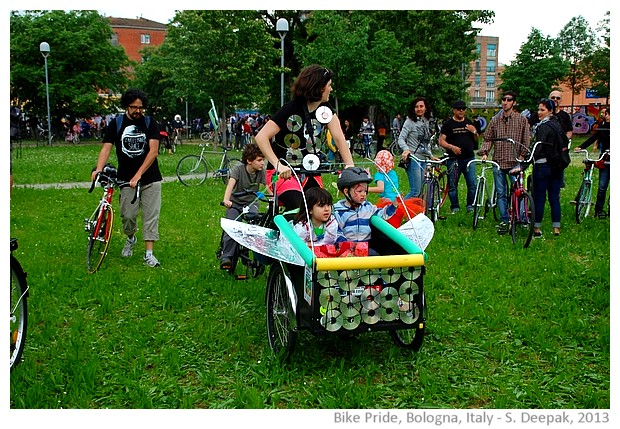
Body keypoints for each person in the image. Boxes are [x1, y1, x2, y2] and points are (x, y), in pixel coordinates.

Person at [254, 64, 354, 210]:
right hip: (284, 175)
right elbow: (261, 137)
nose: (331, 89)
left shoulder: (325, 110)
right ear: (320, 88)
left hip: (310, 173)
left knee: (322, 207)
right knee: (299, 206)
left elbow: (339, 137)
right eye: (329, 85)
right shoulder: (290, 109)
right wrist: (278, 165)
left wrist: (350, 166)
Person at [92, 88, 163, 267]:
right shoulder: (116, 124)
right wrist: (98, 169)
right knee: (128, 216)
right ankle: (131, 238)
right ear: (126, 106)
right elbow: (106, 148)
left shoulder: (150, 123)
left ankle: (149, 254)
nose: (138, 111)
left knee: (150, 216)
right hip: (125, 179)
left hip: (150, 178)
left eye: (141, 107)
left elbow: (153, 151)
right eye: (134, 107)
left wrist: (139, 175)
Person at [478, 91, 531, 234]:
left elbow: (527, 139)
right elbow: (488, 138)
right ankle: (504, 219)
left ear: (514, 102)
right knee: (501, 192)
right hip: (499, 161)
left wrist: (522, 156)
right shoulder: (495, 120)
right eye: (503, 99)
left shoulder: (521, 120)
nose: (505, 102)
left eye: (509, 100)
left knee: (518, 191)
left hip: (514, 162)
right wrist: (485, 152)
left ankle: (520, 218)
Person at [219, 143, 267, 270]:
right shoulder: (238, 169)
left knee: (255, 227)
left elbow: (269, 187)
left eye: (263, 160)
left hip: (251, 203)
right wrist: (226, 200)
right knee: (232, 226)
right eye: (259, 160)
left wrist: (273, 198)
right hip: (235, 204)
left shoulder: (261, 172)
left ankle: (256, 255)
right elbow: (230, 185)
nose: (262, 163)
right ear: (249, 161)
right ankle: (227, 257)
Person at [333, 167, 396, 252]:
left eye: (365, 191)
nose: (363, 194)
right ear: (346, 192)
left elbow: (382, 214)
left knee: (375, 258)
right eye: (359, 191)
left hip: (365, 247)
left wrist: (393, 206)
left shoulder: (368, 207)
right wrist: (346, 246)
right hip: (346, 249)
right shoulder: (338, 211)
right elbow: (337, 232)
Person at [531, 98, 565, 238]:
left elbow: (539, 146)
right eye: (538, 109)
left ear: (550, 111)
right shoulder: (558, 124)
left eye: (542, 110)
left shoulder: (543, 126)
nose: (539, 112)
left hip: (543, 165)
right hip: (557, 166)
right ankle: (556, 228)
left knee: (539, 198)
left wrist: (526, 161)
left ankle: (537, 229)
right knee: (554, 198)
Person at [438, 100, 479, 214]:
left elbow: (476, 138)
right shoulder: (448, 124)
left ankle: (470, 205)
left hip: (469, 158)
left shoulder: (468, 122)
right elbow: (441, 141)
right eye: (459, 109)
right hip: (453, 159)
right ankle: (455, 206)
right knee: (452, 184)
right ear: (454, 110)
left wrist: (474, 131)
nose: (461, 111)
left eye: (463, 109)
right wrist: (451, 147)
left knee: (472, 183)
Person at [574, 107, 610, 218]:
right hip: (605, 159)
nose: (605, 115)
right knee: (602, 187)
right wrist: (581, 147)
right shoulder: (602, 127)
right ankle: (598, 211)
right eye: (606, 114)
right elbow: (593, 137)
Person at [398, 97, 434, 199]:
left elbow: (425, 143)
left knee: (421, 190)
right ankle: (397, 210)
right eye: (416, 107)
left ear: (426, 108)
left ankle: (416, 212)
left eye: (421, 106)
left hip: (424, 160)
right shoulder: (409, 121)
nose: (419, 109)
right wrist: (406, 149)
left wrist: (431, 156)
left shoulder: (426, 121)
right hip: (414, 159)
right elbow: (401, 138)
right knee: (415, 191)